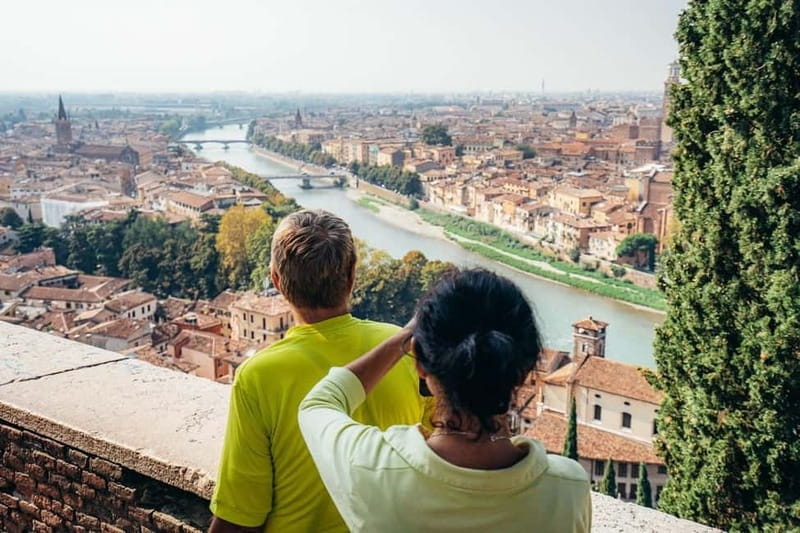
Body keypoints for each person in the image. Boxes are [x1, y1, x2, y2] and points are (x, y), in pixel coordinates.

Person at [299, 268, 592, 532]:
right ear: (526, 371)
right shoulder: (566, 492)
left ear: (421, 364)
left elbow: (319, 403)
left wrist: (404, 338)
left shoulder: (372, 469)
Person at [210, 209, 424, 532]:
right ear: (352, 275)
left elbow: (238, 517)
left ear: (276, 281)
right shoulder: (405, 351)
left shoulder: (258, 377)